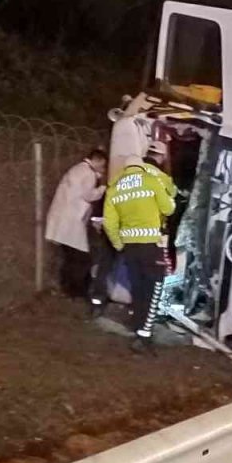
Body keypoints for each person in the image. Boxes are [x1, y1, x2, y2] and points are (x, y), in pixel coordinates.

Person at [103, 154, 176, 354]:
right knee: (155, 287)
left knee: (138, 287)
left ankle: (138, 323)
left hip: (130, 248)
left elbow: (109, 223)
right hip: (151, 245)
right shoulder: (151, 181)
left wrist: (119, 245)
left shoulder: (114, 189)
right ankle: (144, 335)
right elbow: (168, 209)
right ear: (141, 167)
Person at [44, 149, 107, 298]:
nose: (103, 169)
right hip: (71, 222)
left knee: (70, 258)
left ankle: (65, 289)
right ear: (96, 160)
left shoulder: (78, 169)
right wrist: (103, 188)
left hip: (62, 219)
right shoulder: (88, 173)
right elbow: (88, 195)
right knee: (81, 259)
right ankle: (76, 292)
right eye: (102, 165)